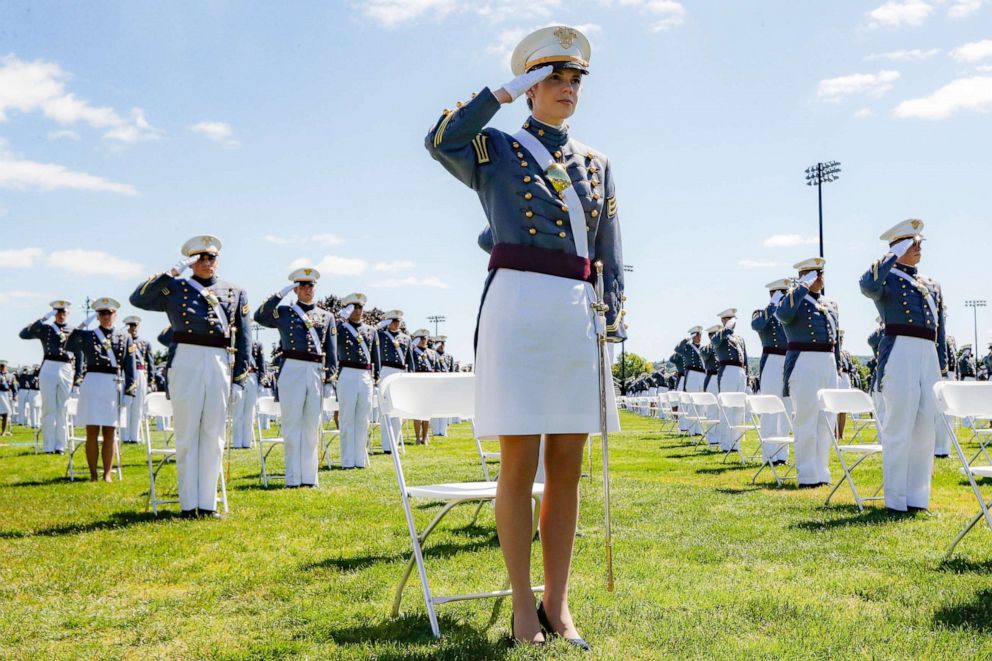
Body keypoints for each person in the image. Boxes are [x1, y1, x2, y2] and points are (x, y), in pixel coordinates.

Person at [426, 24, 624, 648]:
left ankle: (557, 605)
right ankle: (518, 604)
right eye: (552, 79)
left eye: (573, 81)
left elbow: (610, 255)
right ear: (533, 87)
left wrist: (613, 313)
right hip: (517, 306)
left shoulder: (596, 164)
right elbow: (440, 138)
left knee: (568, 462)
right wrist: (506, 90)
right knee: (519, 462)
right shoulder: (495, 150)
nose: (566, 89)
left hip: (573, 311)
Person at [130, 235, 250, 518]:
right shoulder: (175, 287)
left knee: (213, 432)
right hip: (186, 357)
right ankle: (188, 504)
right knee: (186, 432)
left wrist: (240, 377)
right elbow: (139, 298)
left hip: (220, 359)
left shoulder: (234, 291)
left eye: (211, 258)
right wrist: (173, 271)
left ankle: (207, 504)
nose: (207, 263)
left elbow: (243, 336)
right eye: (201, 258)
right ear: (192, 261)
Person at [860, 218, 945, 513]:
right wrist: (892, 256)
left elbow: (940, 330)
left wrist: (942, 366)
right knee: (899, 425)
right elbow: (867, 285)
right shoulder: (887, 279)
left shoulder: (931, 284)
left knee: (925, 425)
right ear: (900, 246)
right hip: (899, 350)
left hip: (927, 352)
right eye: (912, 243)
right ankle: (895, 499)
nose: (918, 248)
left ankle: (917, 497)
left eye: (920, 242)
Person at [254, 267, 337, 486]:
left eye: (310, 285)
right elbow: (259, 316)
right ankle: (293, 477)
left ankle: (310, 477)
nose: (308, 289)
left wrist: (330, 377)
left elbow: (332, 349)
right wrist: (280, 294)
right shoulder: (284, 312)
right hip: (291, 367)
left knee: (311, 424)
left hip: (315, 370)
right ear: (295, 289)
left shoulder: (327, 316)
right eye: (302, 286)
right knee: (291, 424)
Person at [776, 257, 838, 487]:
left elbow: (836, 340)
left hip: (827, 361)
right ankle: (806, 474)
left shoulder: (830, 303)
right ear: (804, 276)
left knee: (826, 419)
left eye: (821, 273)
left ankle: (822, 471)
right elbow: (782, 313)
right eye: (814, 273)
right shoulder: (793, 301)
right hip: (804, 361)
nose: (819, 277)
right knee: (806, 419)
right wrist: (801, 286)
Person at [66, 298, 136, 481]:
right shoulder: (88, 335)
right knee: (91, 431)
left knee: (110, 432)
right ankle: (93, 474)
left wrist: (130, 390)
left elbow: (130, 366)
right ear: (97, 316)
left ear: (115, 315)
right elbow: (69, 345)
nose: (107, 316)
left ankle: (107, 473)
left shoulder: (125, 336)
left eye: (110, 313)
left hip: (113, 383)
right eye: (103, 313)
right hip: (93, 383)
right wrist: (83, 324)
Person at [19, 300, 76, 453]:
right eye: (57, 312)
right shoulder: (46, 329)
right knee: (48, 408)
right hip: (49, 365)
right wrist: (43, 319)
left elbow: (79, 352)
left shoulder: (73, 330)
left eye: (63, 312)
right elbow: (24, 334)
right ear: (53, 313)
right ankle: (49, 446)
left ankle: (61, 446)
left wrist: (77, 376)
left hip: (66, 367)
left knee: (62, 408)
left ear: (68, 313)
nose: (61, 315)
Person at [335, 292, 378, 469]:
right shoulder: (341, 327)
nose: (358, 310)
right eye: (354, 307)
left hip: (365, 375)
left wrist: (376, 377)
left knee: (362, 418)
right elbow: (329, 336)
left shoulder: (371, 330)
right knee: (347, 418)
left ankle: (359, 459)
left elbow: (375, 357)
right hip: (347, 373)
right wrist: (341, 317)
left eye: (360, 307)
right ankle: (347, 460)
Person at [751, 279, 790, 464]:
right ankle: (769, 454)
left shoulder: (790, 311)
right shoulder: (762, 313)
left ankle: (782, 455)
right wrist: (772, 304)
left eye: (784, 292)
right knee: (770, 408)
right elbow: (757, 325)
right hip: (772, 360)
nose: (783, 295)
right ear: (772, 294)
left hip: (790, 359)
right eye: (779, 292)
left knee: (786, 408)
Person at [375, 310, 412, 453]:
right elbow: (374, 332)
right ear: (388, 322)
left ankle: (394, 444)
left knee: (398, 410)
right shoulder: (382, 335)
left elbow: (410, 360)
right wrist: (381, 324)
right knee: (386, 409)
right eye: (394, 321)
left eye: (398, 321)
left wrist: (410, 377)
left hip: (400, 372)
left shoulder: (406, 338)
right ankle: (386, 446)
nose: (397, 323)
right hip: (386, 371)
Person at [121, 316, 154, 444]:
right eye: (130, 326)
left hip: (140, 373)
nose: (132, 328)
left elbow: (150, 363)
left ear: (138, 326)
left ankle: (134, 436)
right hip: (126, 373)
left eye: (135, 326)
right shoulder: (122, 341)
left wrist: (151, 380)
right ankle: (125, 436)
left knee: (138, 406)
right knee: (125, 405)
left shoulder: (145, 343)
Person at [677, 327, 706, 436]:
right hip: (692, 375)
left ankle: (699, 430)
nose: (699, 337)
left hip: (703, 374)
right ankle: (692, 429)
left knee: (701, 403)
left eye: (700, 335)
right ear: (693, 336)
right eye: (697, 335)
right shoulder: (688, 347)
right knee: (692, 403)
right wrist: (687, 339)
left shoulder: (703, 348)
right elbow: (677, 349)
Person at [409, 329, 434, 444]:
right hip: (417, 381)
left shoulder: (431, 353)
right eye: (422, 338)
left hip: (428, 381)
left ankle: (424, 437)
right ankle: (417, 438)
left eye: (425, 338)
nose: (424, 341)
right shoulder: (413, 352)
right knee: (417, 411)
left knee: (426, 412)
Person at [0, 361, 16, 436]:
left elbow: (14, 386)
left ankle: (3, 432)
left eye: (4, 366)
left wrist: (15, 394)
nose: (3, 367)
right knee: (5, 413)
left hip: (7, 394)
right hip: (1, 393)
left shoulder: (11, 376)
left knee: (6, 413)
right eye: (1, 366)